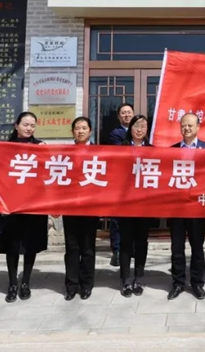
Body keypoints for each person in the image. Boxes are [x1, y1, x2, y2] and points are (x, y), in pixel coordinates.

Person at [0, 111, 48, 303]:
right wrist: (1, 202)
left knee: (30, 245)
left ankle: (25, 282)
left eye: (32, 125)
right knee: (11, 245)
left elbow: (48, 176)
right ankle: (12, 283)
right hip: (10, 205)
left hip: (34, 204)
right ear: (16, 125)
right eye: (26, 124)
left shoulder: (40, 147)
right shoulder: (5, 148)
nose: (29, 128)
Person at [167, 113, 205, 301]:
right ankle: (177, 283)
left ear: (198, 127)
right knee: (177, 248)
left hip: (197, 208)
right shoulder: (171, 151)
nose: (187, 128)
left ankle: (197, 283)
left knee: (197, 248)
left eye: (190, 125)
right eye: (183, 125)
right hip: (176, 208)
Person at [60, 117, 99, 301]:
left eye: (84, 128)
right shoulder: (66, 153)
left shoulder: (100, 153)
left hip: (91, 207)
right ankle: (71, 285)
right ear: (72, 131)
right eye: (77, 128)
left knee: (88, 248)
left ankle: (87, 284)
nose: (81, 131)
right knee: (72, 247)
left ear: (90, 131)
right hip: (70, 207)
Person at [118, 115, 152, 298]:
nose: (139, 129)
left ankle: (139, 277)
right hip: (125, 204)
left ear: (147, 130)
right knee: (125, 242)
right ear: (130, 128)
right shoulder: (120, 150)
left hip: (145, 205)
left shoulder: (154, 151)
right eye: (136, 125)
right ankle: (124, 279)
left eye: (143, 126)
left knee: (141, 242)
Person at [106, 103, 135, 267]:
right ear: (119, 117)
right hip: (119, 181)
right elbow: (123, 153)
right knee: (117, 218)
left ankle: (131, 248)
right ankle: (116, 250)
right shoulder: (115, 134)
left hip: (136, 181)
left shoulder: (141, 132)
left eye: (129, 112)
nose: (126, 115)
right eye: (123, 113)